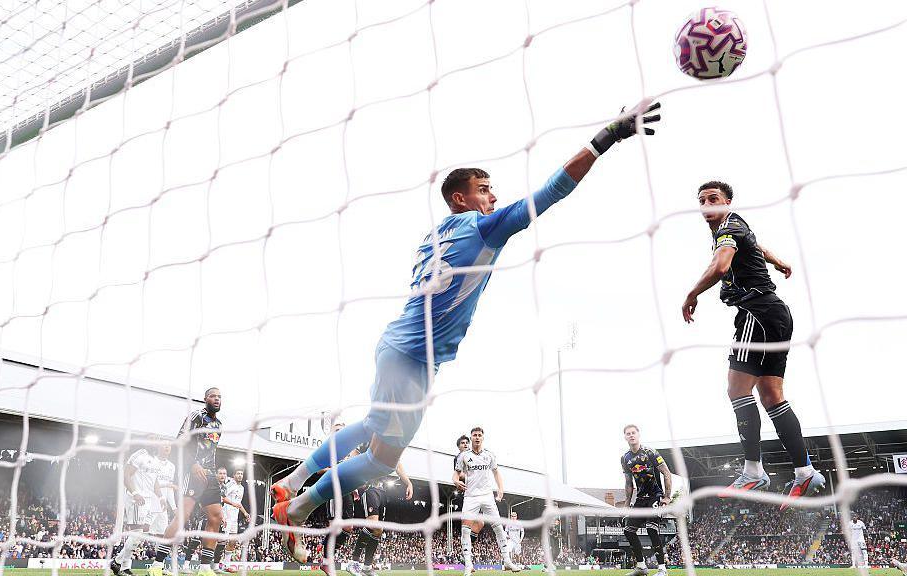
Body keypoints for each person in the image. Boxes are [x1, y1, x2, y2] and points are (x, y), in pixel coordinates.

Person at [269, 101, 663, 561]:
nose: (493, 197)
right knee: (381, 460)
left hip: (397, 346)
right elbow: (553, 190)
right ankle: (300, 504)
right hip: (414, 356)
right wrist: (607, 137)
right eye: (484, 189)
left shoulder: (435, 235)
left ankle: (295, 484)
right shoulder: (483, 229)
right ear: (461, 198)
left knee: (374, 428)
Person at [682, 181, 823, 508]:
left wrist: (691, 294)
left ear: (727, 201)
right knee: (772, 396)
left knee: (736, 389)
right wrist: (776, 261)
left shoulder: (727, 228)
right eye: (701, 200)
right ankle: (805, 471)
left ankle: (753, 470)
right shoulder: (738, 226)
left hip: (756, 312)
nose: (707, 205)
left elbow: (721, 266)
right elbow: (756, 247)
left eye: (713, 198)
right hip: (777, 314)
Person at [149, 388, 224, 576]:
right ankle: (157, 565)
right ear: (205, 399)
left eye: (219, 397)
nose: (217, 399)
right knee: (183, 516)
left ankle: (205, 568)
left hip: (210, 474)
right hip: (193, 472)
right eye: (213, 396)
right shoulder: (196, 416)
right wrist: (192, 465)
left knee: (216, 517)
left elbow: (210, 451)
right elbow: (180, 441)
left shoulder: (219, 424)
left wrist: (212, 473)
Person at [456, 427, 521, 575]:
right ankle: (468, 565)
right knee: (465, 530)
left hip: (487, 496)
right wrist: (455, 482)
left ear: (483, 438)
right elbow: (456, 475)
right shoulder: (464, 456)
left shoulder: (489, 455)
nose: (477, 437)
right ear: (471, 438)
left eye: (479, 435)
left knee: (498, 527)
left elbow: (496, 473)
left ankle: (507, 561)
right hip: (471, 497)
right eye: (474, 435)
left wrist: (500, 488)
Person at [111, 441, 175, 576]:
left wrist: (161, 498)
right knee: (137, 533)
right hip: (136, 499)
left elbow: (155, 481)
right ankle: (123, 567)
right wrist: (135, 493)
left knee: (141, 534)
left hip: (149, 500)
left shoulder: (155, 460)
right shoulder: (139, 455)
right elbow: (126, 474)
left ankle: (117, 561)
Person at [620, 424, 671, 576]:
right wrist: (627, 503)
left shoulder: (650, 452)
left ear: (638, 434)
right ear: (625, 437)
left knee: (651, 529)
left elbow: (666, 473)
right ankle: (641, 567)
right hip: (640, 499)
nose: (631, 435)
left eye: (633, 432)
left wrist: (667, 497)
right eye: (628, 433)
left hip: (655, 496)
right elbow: (628, 482)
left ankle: (662, 569)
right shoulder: (625, 458)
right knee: (628, 531)